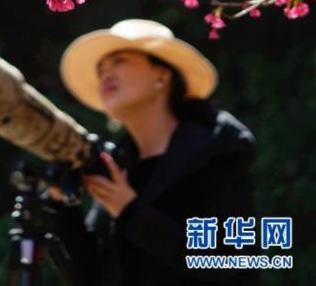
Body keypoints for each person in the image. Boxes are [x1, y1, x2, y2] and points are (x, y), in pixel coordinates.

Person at [54, 18, 259, 286]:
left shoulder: (218, 149)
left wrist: (129, 210)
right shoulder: (118, 165)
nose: (105, 74)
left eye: (119, 61)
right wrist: (62, 206)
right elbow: (90, 276)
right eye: (101, 68)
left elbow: (225, 259)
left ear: (162, 75)